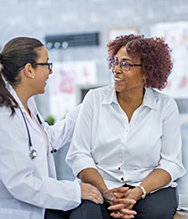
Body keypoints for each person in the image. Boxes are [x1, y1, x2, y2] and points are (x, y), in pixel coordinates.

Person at [0, 37, 106, 219]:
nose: (51, 71)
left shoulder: (26, 105)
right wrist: (75, 191)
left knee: (89, 209)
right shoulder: (1, 116)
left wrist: (91, 104)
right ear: (29, 70)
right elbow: (21, 183)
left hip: (27, 203)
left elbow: (49, 139)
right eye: (47, 64)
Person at [66, 34, 186, 219]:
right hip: (101, 184)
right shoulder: (94, 99)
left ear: (147, 71)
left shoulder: (165, 106)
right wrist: (106, 192)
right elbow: (79, 154)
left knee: (155, 214)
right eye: (115, 61)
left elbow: (171, 162)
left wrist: (137, 192)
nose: (116, 69)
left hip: (149, 188)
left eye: (126, 64)